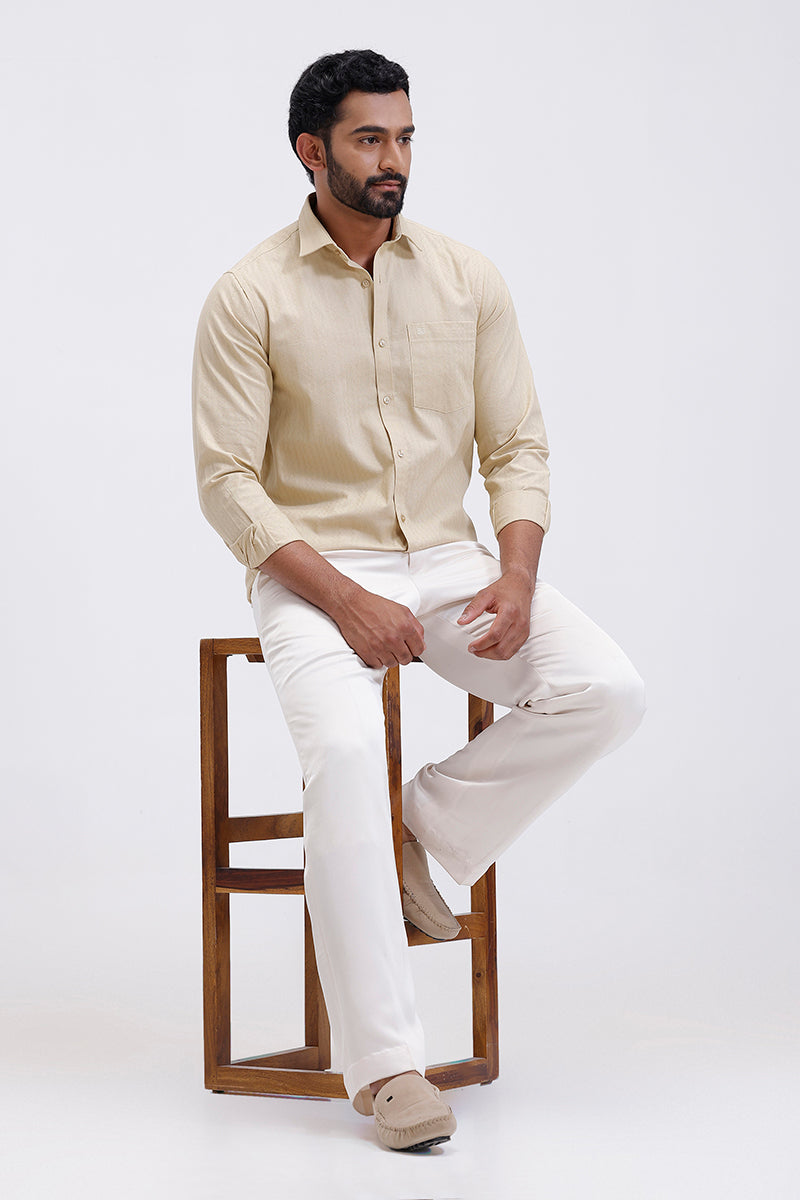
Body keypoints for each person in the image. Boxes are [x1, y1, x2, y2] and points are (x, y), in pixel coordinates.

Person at [192, 48, 646, 1153]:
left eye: (401, 137)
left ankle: (420, 827)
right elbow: (227, 483)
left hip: (448, 561)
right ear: (311, 151)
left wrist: (518, 572)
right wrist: (343, 600)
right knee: (343, 752)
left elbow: (517, 445)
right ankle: (387, 1070)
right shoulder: (249, 293)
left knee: (605, 689)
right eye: (366, 139)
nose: (392, 159)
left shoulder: (466, 278)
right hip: (311, 572)